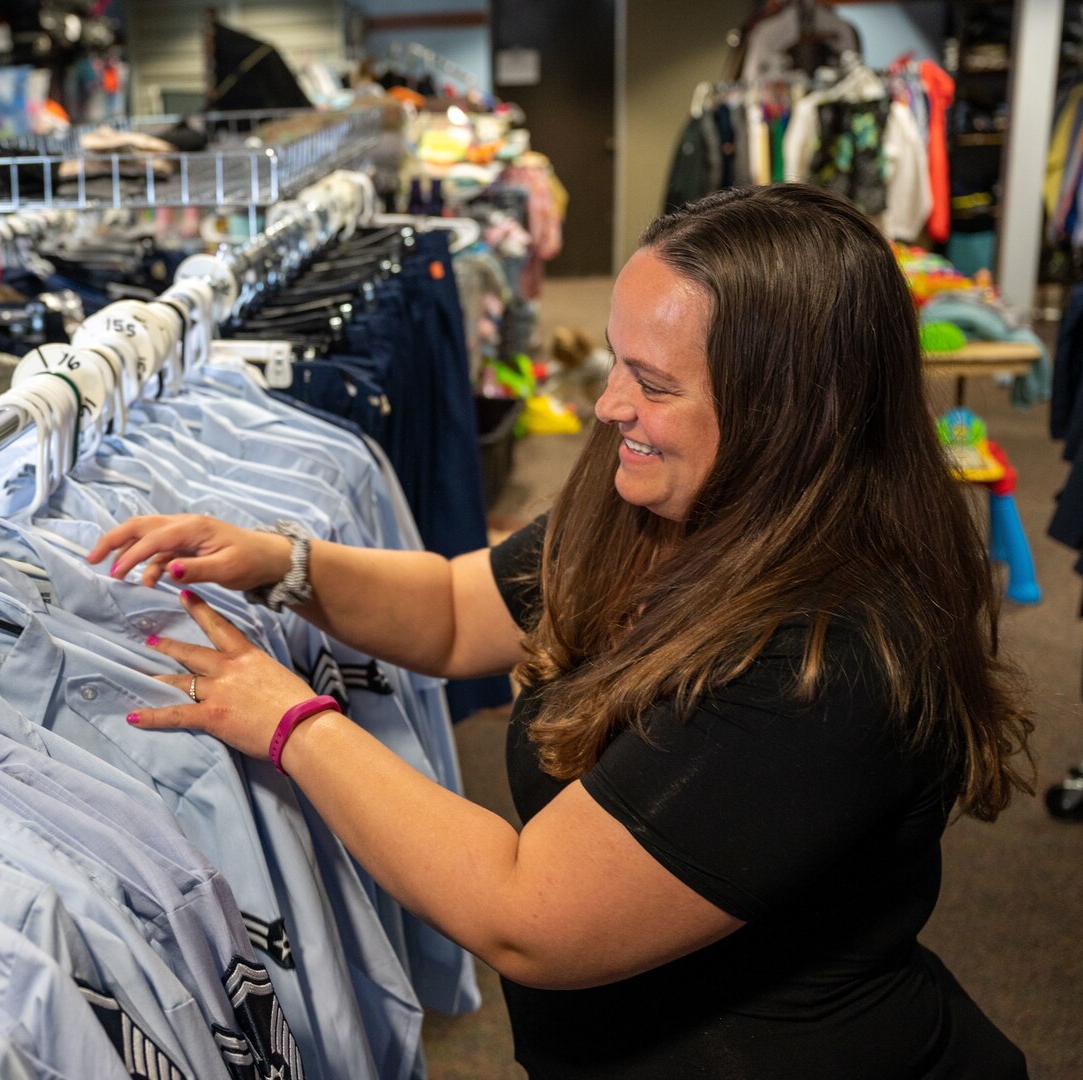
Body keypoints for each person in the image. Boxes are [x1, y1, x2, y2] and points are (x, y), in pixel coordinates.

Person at [86, 184, 1033, 1078]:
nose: (609, 403)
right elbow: (460, 613)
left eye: (654, 383)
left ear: (790, 415)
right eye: (618, 361)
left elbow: (526, 912)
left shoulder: (830, 655)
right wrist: (284, 563)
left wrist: (293, 724)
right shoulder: (649, 499)